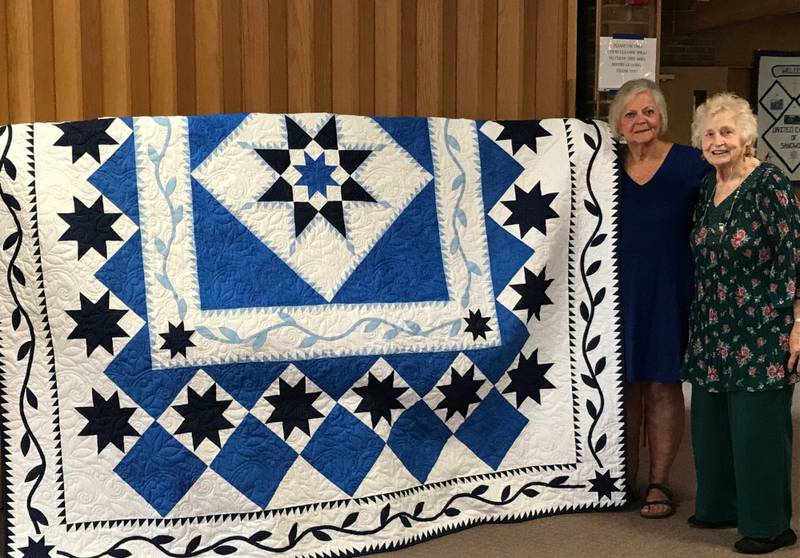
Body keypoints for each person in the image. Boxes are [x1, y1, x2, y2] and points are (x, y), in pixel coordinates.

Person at [683, 92, 800, 554]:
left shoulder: (771, 184)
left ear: (746, 136)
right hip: (713, 325)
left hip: (762, 326)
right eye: (709, 133)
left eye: (726, 131)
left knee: (759, 430)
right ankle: (722, 506)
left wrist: (798, 323)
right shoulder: (705, 188)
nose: (717, 140)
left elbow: (796, 257)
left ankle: (770, 525)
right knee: (711, 426)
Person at [609, 79, 711, 519]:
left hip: (670, 288)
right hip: (613, 291)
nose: (640, 121)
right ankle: (621, 480)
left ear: (662, 117)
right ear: (617, 123)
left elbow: (734, 188)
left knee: (663, 385)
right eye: (630, 114)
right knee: (624, 386)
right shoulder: (602, 166)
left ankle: (659, 482)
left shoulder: (691, 163)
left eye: (648, 112)